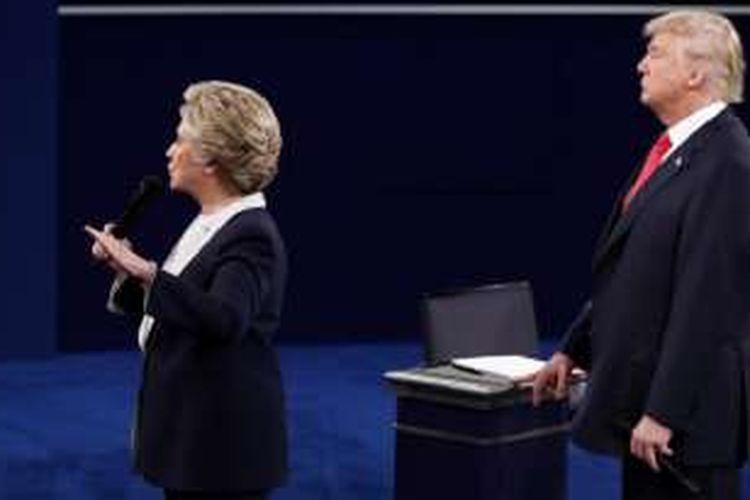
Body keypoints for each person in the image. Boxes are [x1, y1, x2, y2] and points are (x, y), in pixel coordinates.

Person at [532, 9, 750, 500]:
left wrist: (665, 412)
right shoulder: (676, 149)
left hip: (686, 427)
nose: (640, 66)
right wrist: (575, 347)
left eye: (654, 54)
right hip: (646, 406)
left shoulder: (729, 163)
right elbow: (634, 271)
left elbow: (708, 301)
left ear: (695, 73)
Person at [85, 80, 287, 500]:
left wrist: (145, 270)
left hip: (221, 449)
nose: (169, 152)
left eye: (179, 140)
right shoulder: (213, 222)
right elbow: (187, 306)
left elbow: (225, 318)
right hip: (196, 436)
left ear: (211, 158)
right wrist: (129, 275)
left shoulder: (250, 233)